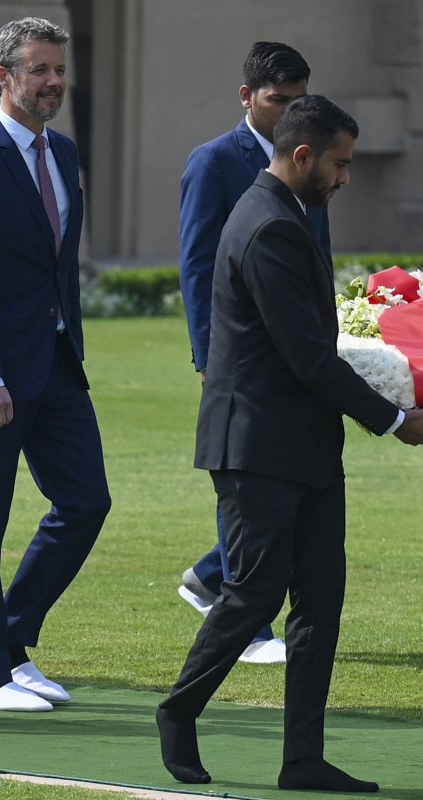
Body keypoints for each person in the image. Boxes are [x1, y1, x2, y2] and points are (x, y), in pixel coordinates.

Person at [156, 95, 423, 792]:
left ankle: (303, 760)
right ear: (305, 155)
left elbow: (315, 348)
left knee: (320, 600)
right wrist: (393, 419)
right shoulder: (268, 227)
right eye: (341, 164)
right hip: (256, 446)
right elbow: (308, 357)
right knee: (254, 596)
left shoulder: (288, 216)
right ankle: (178, 709)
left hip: (303, 445)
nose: (346, 178)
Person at [0, 16, 111, 713]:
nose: (53, 83)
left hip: (58, 364)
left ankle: (12, 636)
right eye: (39, 70)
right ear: (4, 77)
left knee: (86, 502)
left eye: (58, 71)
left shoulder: (64, 155)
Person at [177, 41, 329, 665]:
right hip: (238, 353)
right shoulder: (214, 162)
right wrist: (208, 353)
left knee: (280, 475)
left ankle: (211, 579)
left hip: (297, 348)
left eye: (299, 99)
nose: (291, 110)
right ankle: (249, 624)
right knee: (246, 470)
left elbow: (316, 251)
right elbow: (195, 263)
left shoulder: (313, 153)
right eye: (278, 100)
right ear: (247, 98)